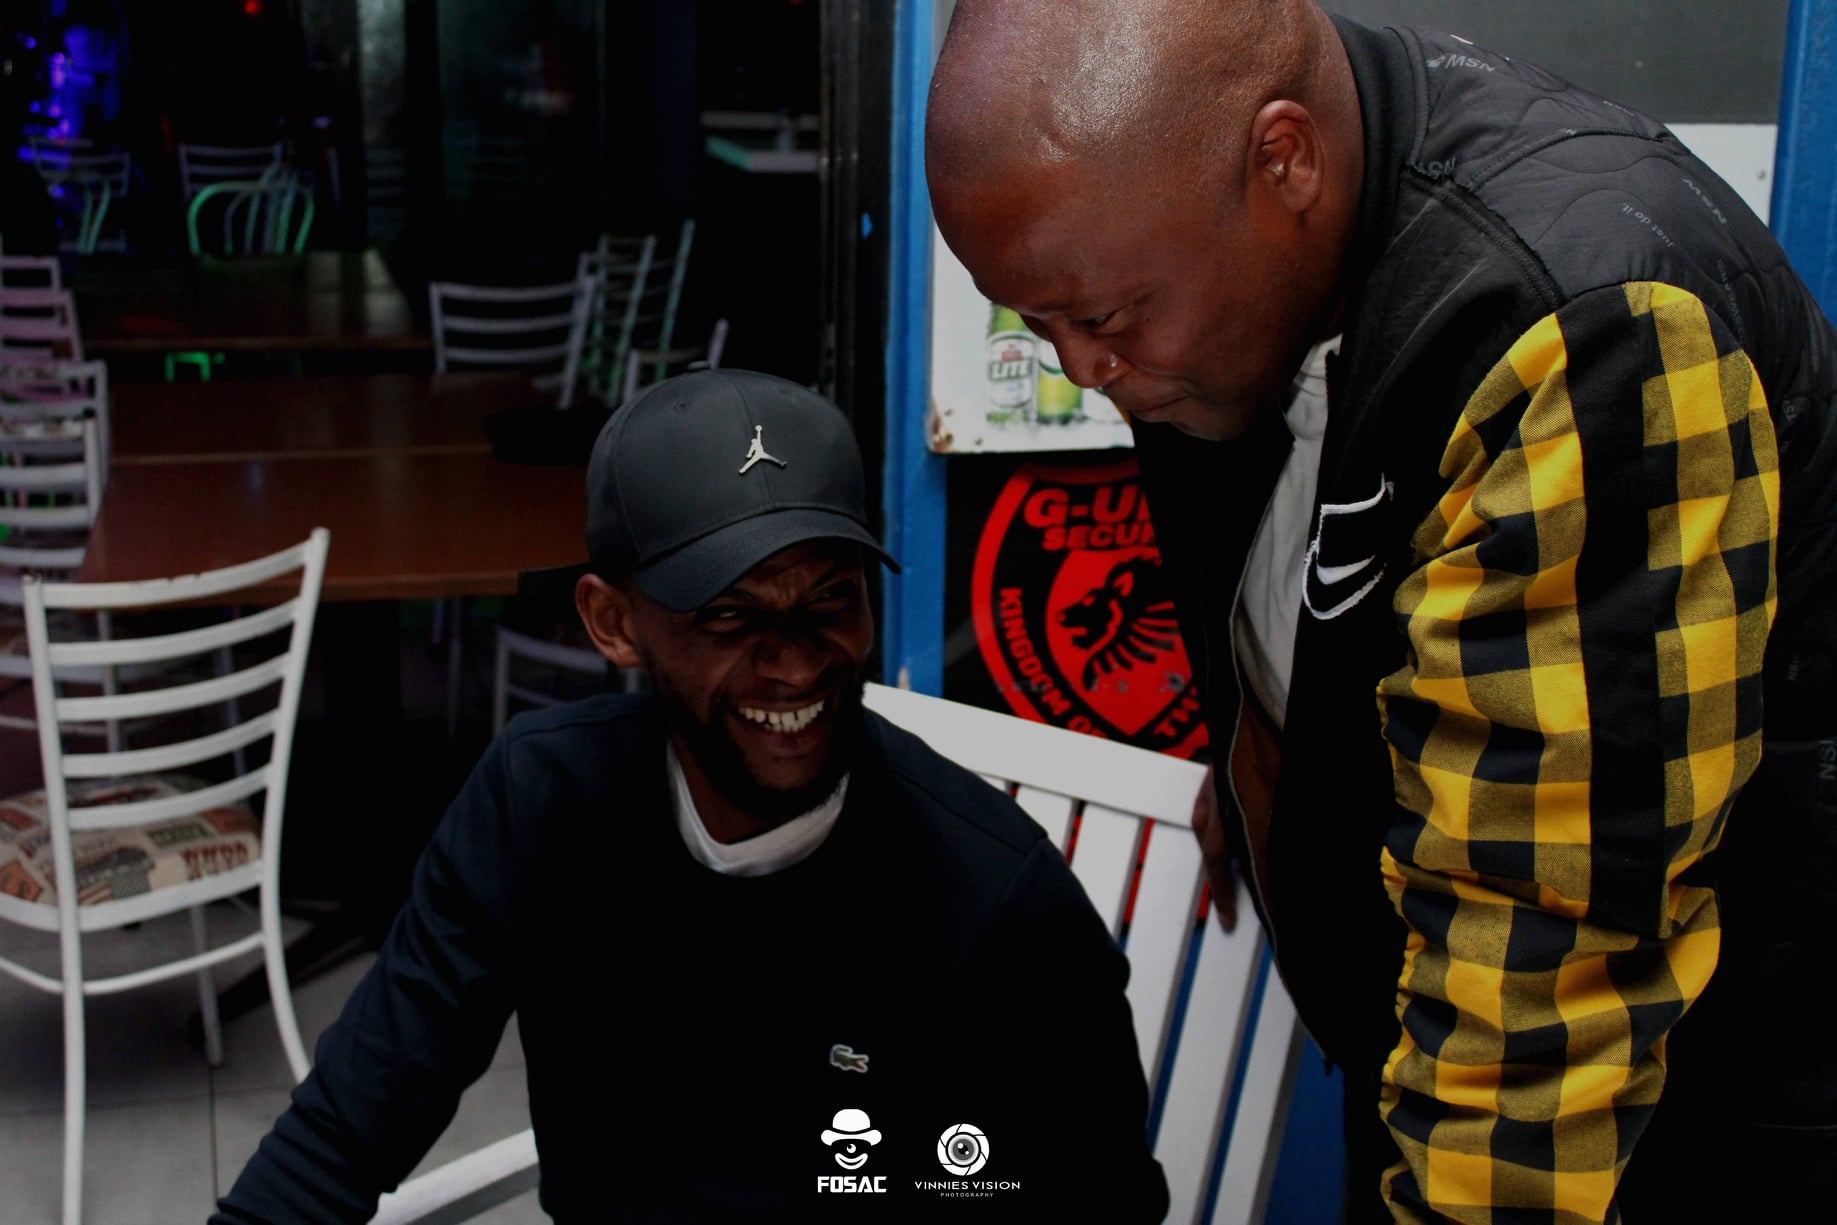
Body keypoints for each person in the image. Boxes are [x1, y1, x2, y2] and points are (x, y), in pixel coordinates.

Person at [927, 1, 1836, 1221]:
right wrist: (1271, 755)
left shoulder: (1578, 326)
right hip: (1427, 1039)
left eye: (1098, 319)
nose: (1083, 371)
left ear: (1284, 159)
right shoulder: (1199, 242)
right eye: (1033, 322)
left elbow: (1539, 970)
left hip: (1670, 1131)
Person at [212, 369, 1170, 1224]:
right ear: (612, 622)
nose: (794, 664)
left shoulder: (997, 899)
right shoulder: (540, 801)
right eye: (728, 615)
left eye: (830, 601)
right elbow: (347, 1128)